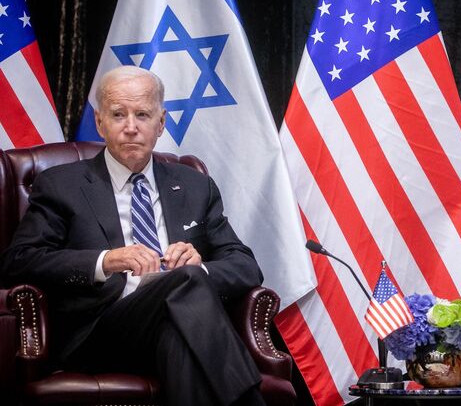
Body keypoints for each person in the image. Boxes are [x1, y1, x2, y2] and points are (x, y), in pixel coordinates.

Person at [0, 66, 266, 406]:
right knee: (186, 282)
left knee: (180, 319)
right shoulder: (61, 184)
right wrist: (105, 261)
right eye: (117, 114)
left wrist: (201, 269)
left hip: (179, 325)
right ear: (100, 123)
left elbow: (245, 265)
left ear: (161, 122)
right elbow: (18, 261)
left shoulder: (195, 185)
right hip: (101, 333)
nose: (130, 127)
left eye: (142, 114)